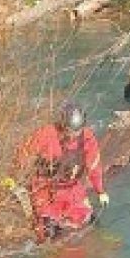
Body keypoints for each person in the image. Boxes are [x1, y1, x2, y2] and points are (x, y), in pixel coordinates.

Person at [15, 100, 108, 242]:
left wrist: (100, 191)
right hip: (46, 188)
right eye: (70, 131)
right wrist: (17, 177)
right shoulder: (46, 134)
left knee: (90, 219)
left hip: (72, 187)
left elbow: (94, 165)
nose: (74, 135)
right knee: (49, 229)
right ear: (63, 125)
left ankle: (101, 241)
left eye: (77, 131)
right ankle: (53, 255)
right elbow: (24, 153)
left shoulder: (87, 138)